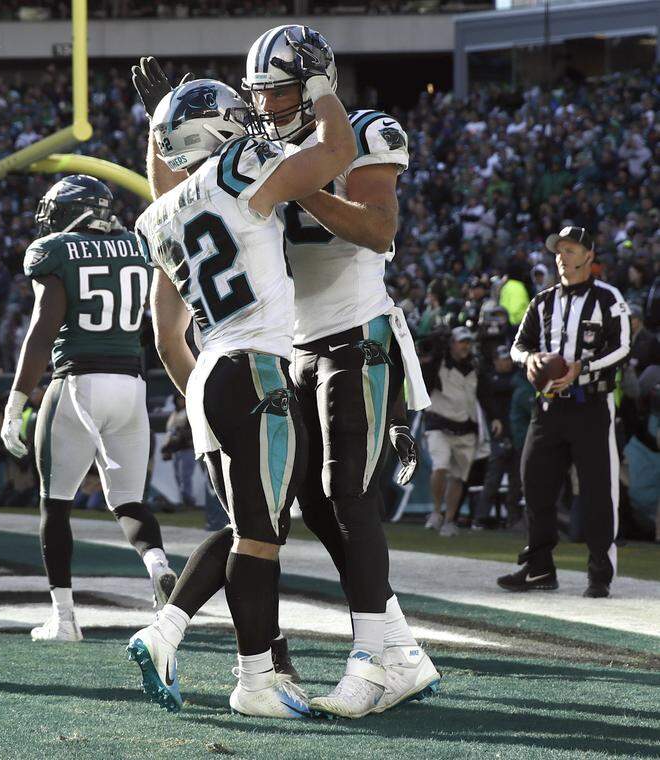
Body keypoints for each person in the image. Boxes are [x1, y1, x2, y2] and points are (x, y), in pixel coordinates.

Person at [124, 44, 353, 718]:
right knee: (259, 535)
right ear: (218, 133)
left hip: (211, 373)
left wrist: (157, 123)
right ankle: (240, 675)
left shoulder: (156, 218)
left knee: (254, 527)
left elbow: (168, 191)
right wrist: (320, 90)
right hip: (255, 367)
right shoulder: (238, 166)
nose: (248, 123)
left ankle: (238, 667)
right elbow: (335, 155)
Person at [241, 24, 435, 717]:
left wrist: (301, 186)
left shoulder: (362, 133)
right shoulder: (265, 144)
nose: (268, 105)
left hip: (358, 335)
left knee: (348, 495)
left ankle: (370, 663)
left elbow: (381, 230)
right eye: (260, 92)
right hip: (297, 345)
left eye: (282, 89)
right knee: (315, 502)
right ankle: (401, 646)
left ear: (318, 82)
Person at [0, 173, 177, 643]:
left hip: (77, 382)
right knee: (129, 501)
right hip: (132, 385)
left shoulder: (55, 251)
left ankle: (65, 619)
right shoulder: (139, 244)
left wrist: (16, 402)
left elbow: (41, 331)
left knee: (55, 505)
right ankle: (157, 564)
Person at [500, 226, 630, 598]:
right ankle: (539, 568)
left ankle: (599, 574)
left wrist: (581, 369)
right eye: (559, 251)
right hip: (548, 406)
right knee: (534, 482)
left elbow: (623, 346)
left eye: (570, 250)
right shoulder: (542, 301)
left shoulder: (608, 298)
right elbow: (517, 346)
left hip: (591, 406)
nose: (562, 256)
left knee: (597, 491)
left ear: (589, 255)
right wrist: (530, 360)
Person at [421, 326, 480, 536]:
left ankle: (449, 519)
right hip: (439, 423)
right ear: (451, 344)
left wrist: (496, 419)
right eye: (461, 341)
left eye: (467, 342)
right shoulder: (438, 364)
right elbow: (424, 372)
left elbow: (485, 394)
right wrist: (437, 348)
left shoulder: (475, 366)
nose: (465, 346)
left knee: (458, 476)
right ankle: (436, 511)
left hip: (466, 428)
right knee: (440, 465)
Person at [472, 344, 522, 529]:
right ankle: (481, 518)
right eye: (502, 359)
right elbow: (485, 396)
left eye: (508, 359)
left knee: (516, 480)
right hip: (498, 433)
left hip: (516, 432)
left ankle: (513, 518)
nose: (506, 363)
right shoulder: (488, 379)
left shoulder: (517, 376)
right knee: (493, 478)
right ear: (495, 361)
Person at [161, 395, 195, 509]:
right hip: (176, 449)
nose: (181, 401)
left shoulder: (190, 411)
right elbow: (170, 432)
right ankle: (184, 500)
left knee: (186, 477)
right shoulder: (174, 414)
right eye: (179, 399)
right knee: (178, 477)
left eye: (183, 398)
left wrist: (181, 434)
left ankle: (189, 502)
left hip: (187, 448)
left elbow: (193, 430)